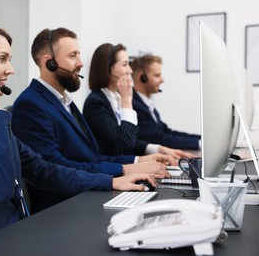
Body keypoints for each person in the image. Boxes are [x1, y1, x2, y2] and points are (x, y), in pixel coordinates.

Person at [0, 21, 158, 250]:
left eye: (9, 60)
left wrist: (112, 182)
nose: (11, 69)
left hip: (18, 232)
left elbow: (43, 169)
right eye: (2, 59)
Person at [11, 28, 173, 213]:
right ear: (50, 63)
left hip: (87, 194)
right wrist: (121, 172)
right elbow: (54, 168)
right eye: (73, 56)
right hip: (63, 208)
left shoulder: (66, 102)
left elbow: (92, 158)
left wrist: (137, 161)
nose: (80, 63)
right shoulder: (30, 104)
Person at [83, 43, 195, 159]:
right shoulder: (96, 102)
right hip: (111, 173)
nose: (130, 71)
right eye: (125, 65)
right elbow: (125, 142)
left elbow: (130, 139)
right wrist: (126, 100)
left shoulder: (114, 98)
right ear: (108, 68)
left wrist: (158, 149)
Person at [130, 54, 201, 150]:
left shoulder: (146, 104)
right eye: (157, 75)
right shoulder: (133, 106)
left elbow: (167, 132)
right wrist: (199, 144)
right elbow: (159, 139)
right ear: (142, 77)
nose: (162, 80)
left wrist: (201, 140)